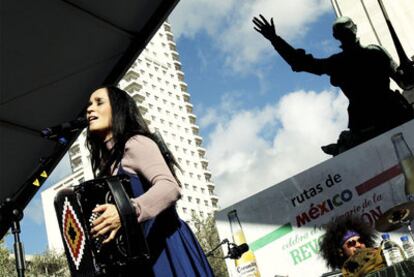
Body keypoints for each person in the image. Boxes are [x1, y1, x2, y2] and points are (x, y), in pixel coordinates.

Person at [86, 85, 214, 276]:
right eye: (89, 105)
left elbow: (170, 187)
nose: (89, 109)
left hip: (167, 249)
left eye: (99, 102)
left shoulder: (135, 143)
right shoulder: (107, 167)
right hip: (140, 262)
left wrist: (126, 212)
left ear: (118, 108)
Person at [253, 15, 414, 155]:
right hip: (382, 119)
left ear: (336, 36)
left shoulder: (343, 61)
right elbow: (404, 82)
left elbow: (300, 63)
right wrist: (275, 39)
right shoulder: (373, 53)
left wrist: (274, 39)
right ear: (354, 30)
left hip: (381, 119)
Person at [319, 216, 385, 276]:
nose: (358, 245)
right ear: (340, 251)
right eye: (351, 243)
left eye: (361, 240)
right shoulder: (341, 274)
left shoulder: (383, 256)